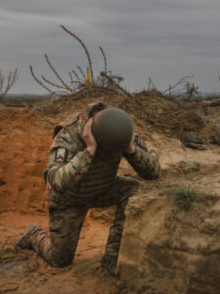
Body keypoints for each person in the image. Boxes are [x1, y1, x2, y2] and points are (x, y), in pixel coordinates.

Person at [16, 102, 160, 274]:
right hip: (69, 199)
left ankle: (112, 257)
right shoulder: (67, 137)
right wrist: (89, 151)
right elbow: (56, 182)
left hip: (102, 188)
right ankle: (34, 234)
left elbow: (154, 173)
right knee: (59, 260)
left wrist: (131, 149)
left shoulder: (117, 130)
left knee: (134, 189)